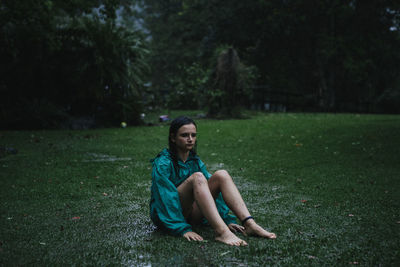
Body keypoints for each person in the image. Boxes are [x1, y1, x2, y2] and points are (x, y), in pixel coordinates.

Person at [150, 116, 276, 246]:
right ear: (173, 138)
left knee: (222, 175)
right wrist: (182, 229)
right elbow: (164, 198)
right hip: (169, 214)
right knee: (198, 177)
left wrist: (226, 219)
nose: (190, 139)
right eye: (184, 135)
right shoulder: (163, 163)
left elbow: (209, 192)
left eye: (193, 135)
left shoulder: (194, 160)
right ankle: (222, 233)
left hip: (191, 213)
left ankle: (249, 224)